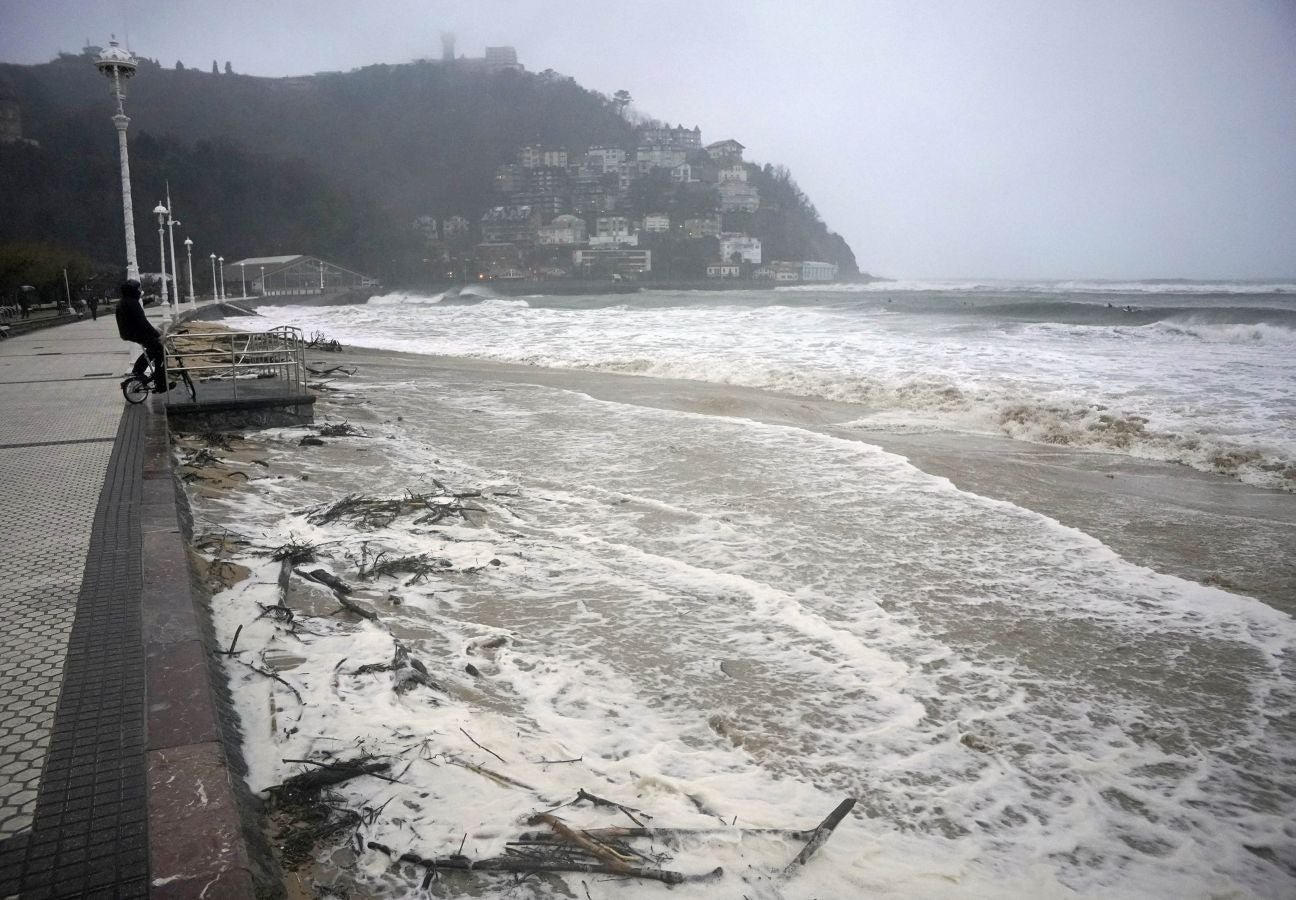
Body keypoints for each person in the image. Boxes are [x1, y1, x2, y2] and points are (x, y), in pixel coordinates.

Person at [114, 280, 167, 392]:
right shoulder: (132, 303)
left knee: (155, 348)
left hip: (131, 332)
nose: (140, 291)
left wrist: (154, 331)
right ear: (133, 290)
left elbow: (141, 318)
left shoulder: (127, 301)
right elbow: (143, 322)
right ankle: (160, 383)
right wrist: (157, 334)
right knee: (159, 349)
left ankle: (142, 372)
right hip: (135, 332)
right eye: (138, 289)